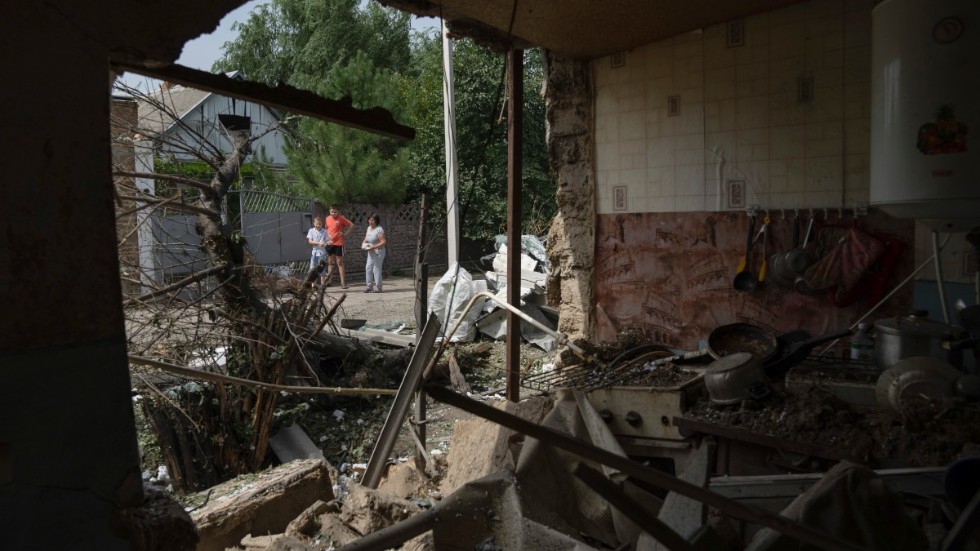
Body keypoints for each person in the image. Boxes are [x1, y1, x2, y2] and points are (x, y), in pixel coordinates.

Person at [323, 204, 354, 289]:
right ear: (329, 211)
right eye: (332, 212)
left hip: (339, 243)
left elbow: (352, 225)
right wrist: (326, 239)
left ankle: (343, 282)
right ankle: (329, 281)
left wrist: (345, 234)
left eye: (335, 212)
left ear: (338, 211)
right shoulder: (327, 218)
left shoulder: (341, 218)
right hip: (330, 243)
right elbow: (326, 229)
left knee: (339, 262)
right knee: (330, 262)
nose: (333, 213)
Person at [361, 213, 387, 293]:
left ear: (376, 221)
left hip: (378, 251)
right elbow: (366, 238)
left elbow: (383, 242)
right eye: (370, 220)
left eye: (373, 220)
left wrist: (374, 247)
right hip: (370, 251)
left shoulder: (379, 229)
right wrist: (363, 244)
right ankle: (369, 286)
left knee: (376, 269)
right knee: (368, 268)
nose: (370, 222)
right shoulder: (369, 228)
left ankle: (379, 287)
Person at [306, 216, 328, 287]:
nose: (318, 225)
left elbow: (328, 241)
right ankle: (313, 285)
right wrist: (318, 243)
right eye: (317, 224)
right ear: (314, 223)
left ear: (322, 224)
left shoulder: (324, 231)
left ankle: (322, 285)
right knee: (313, 269)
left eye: (320, 224)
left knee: (322, 269)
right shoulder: (311, 231)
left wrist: (325, 243)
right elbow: (310, 241)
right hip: (314, 253)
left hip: (322, 253)